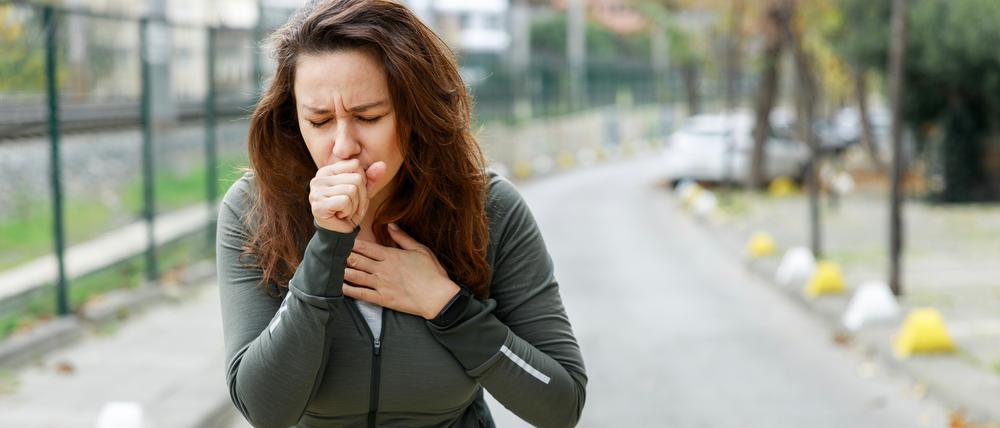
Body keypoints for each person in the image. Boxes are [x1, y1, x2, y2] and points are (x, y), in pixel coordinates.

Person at [217, 1, 587, 426]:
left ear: (415, 112)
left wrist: (447, 306)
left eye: (368, 117)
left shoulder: (489, 208)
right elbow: (263, 409)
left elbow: (561, 405)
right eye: (319, 121)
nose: (343, 146)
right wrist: (326, 249)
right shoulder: (255, 210)